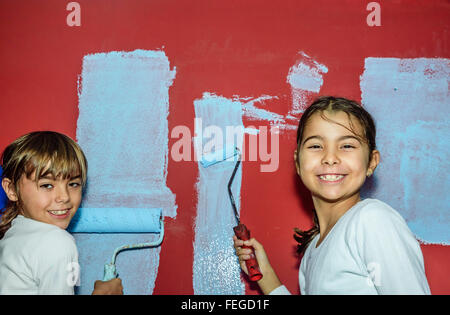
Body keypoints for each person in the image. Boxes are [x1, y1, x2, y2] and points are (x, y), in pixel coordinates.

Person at [234, 96, 431, 295]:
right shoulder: (312, 249)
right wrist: (266, 274)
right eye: (315, 146)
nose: (329, 158)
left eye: (347, 146)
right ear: (298, 163)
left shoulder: (372, 220)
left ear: (371, 161)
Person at [0, 131, 123, 295]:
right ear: (11, 189)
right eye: (47, 185)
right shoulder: (57, 243)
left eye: (73, 184)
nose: (64, 197)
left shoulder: (14, 232)